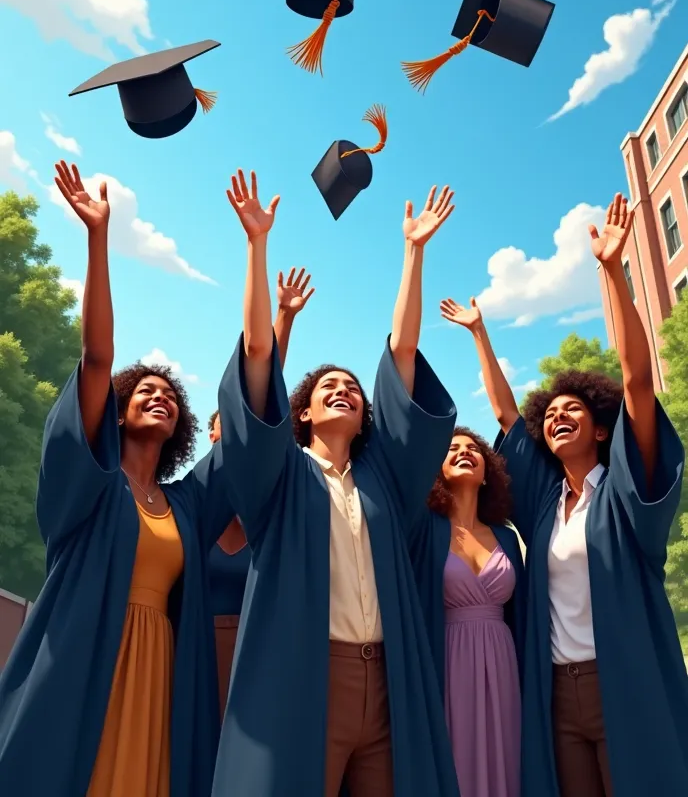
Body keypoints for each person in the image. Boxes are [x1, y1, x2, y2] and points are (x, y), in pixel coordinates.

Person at [212, 168, 460, 797]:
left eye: (352, 388)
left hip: (387, 679)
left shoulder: (382, 480)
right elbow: (257, 359)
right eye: (329, 388)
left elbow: (401, 356)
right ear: (303, 413)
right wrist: (256, 246)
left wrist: (413, 252)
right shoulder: (284, 477)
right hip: (310, 677)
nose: (345, 390)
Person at [0, 161, 235, 797]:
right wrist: (98, 238)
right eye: (145, 391)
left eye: (170, 395)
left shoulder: (185, 506)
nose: (159, 396)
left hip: (161, 668)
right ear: (118, 408)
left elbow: (243, 433)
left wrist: (268, 295)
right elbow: (98, 358)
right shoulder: (92, 485)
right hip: (86, 653)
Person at [440, 193, 688, 797]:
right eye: (549, 414)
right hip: (557, 688)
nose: (556, 418)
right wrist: (480, 333)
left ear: (601, 427)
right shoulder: (547, 507)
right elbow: (505, 414)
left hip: (621, 681)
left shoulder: (627, 494)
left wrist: (612, 269)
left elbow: (636, 380)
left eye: (571, 409)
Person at [208, 267, 315, 712]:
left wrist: (284, 321)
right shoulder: (194, 502)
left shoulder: (274, 510)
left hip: (264, 656)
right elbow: (250, 402)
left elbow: (262, 400)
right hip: (196, 650)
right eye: (225, 429)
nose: (237, 434)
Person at [409, 427, 524, 797]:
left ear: (487, 470)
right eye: (452, 449)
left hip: (503, 661)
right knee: (455, 759)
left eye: (473, 448)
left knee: (507, 755)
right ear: (436, 469)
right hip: (449, 658)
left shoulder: (506, 535)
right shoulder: (425, 529)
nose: (464, 452)